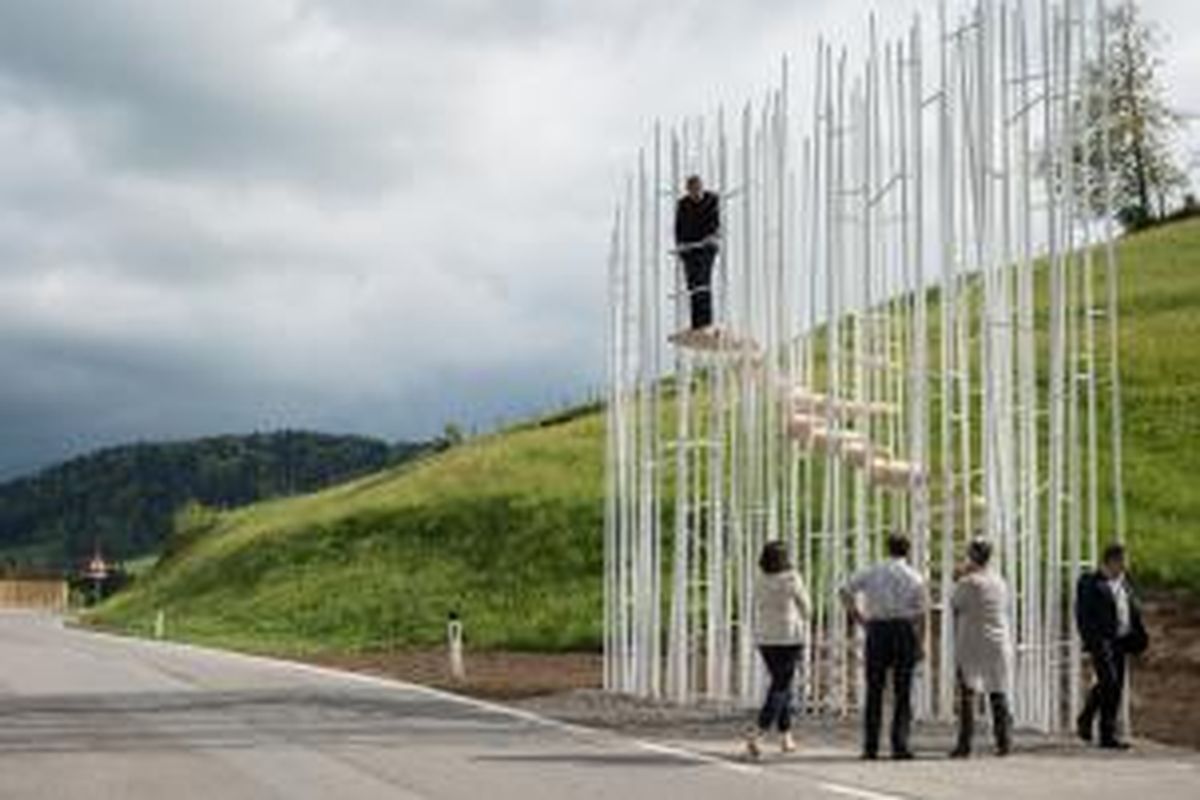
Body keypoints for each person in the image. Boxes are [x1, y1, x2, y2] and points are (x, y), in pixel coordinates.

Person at [839, 533, 927, 760]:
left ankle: (871, 747)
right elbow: (920, 613)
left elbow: (845, 590)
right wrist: (919, 642)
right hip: (903, 629)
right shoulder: (915, 577)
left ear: (888, 548)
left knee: (874, 690)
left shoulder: (872, 571)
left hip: (877, 629)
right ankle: (900, 745)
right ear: (907, 551)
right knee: (902, 691)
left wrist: (858, 617)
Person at [1075, 543, 1149, 750]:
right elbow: (1083, 616)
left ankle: (1092, 723)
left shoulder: (1124, 583)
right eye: (1123, 561)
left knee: (1114, 686)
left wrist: (1139, 637)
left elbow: (1132, 610)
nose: (1126, 565)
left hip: (1122, 640)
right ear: (1111, 561)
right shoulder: (1089, 581)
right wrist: (1091, 641)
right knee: (1109, 681)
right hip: (1102, 641)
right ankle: (1101, 730)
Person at [746, 541, 811, 759]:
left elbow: (755, 604)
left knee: (781, 685)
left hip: (765, 638)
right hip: (789, 638)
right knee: (780, 687)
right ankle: (759, 732)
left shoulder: (758, 580)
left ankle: (786, 736)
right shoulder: (792, 578)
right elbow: (806, 607)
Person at [949, 538, 1013, 758]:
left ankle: (964, 744)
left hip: (972, 643)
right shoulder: (1000, 581)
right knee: (998, 691)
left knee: (968, 693)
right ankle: (1004, 742)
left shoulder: (968, 582)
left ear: (971, 556)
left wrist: (957, 578)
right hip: (998, 642)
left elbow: (955, 604)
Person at [674, 175, 720, 331]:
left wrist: (712, 236)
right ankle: (696, 325)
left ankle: (706, 323)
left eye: (697, 189)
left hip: (706, 248)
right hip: (689, 249)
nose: (695, 193)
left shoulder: (712, 199)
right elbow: (678, 227)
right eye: (691, 191)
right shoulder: (682, 204)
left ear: (701, 187)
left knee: (703, 282)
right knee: (692, 285)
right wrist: (680, 245)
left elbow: (715, 222)